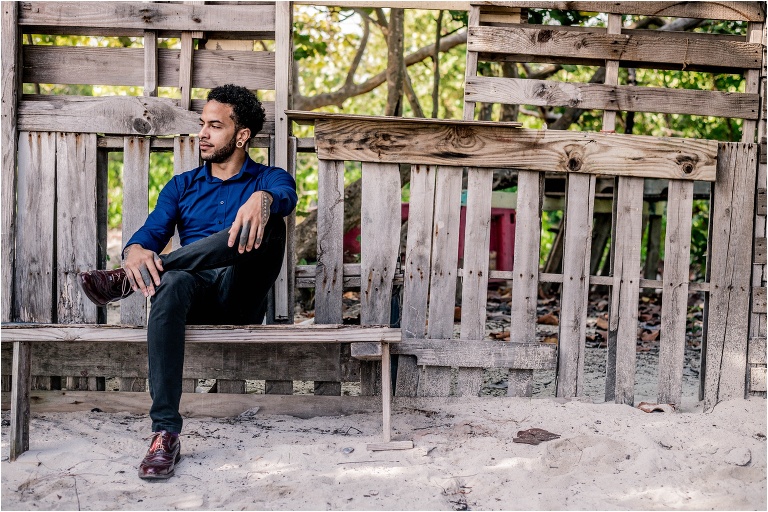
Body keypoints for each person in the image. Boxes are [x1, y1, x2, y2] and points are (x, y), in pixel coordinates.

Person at [78, 84, 298, 480]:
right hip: (190, 295)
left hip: (239, 295)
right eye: (203, 124)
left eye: (215, 126)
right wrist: (134, 254)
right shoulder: (181, 186)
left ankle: (124, 283)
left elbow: (285, 196)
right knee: (171, 281)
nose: (204, 133)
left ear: (242, 135)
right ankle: (164, 432)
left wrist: (262, 198)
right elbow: (148, 235)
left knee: (270, 225)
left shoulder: (270, 177)